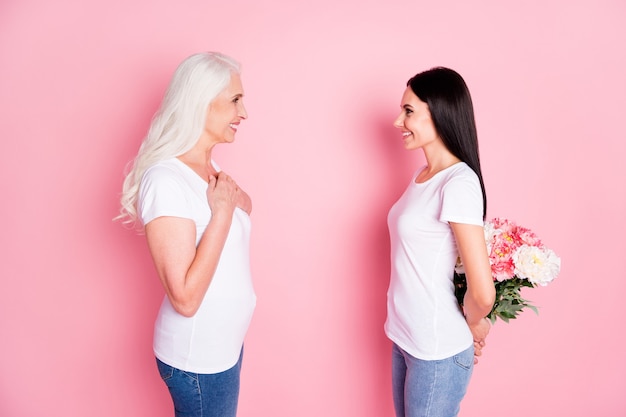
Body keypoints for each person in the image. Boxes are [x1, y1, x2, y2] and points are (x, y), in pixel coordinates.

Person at [117, 52, 256, 417]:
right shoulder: (165, 180)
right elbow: (185, 299)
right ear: (201, 103)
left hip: (223, 347)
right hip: (198, 358)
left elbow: (246, 208)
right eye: (235, 101)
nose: (244, 114)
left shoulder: (208, 167)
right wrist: (223, 213)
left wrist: (231, 199)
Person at [384, 67, 496, 417]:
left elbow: (483, 291)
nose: (397, 121)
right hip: (405, 337)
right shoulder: (423, 176)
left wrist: (476, 321)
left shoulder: (458, 182)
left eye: (409, 111)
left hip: (436, 349)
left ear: (441, 112)